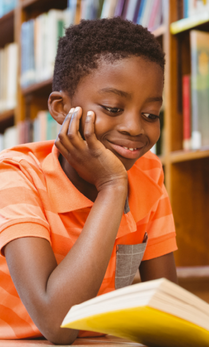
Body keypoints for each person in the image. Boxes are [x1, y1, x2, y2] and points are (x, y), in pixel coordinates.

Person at [0, 17, 177, 345]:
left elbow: (169, 306)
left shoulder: (148, 172)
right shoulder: (15, 177)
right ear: (60, 107)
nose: (135, 127)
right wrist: (111, 185)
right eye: (113, 108)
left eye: (150, 114)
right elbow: (58, 324)